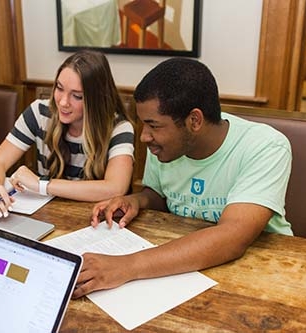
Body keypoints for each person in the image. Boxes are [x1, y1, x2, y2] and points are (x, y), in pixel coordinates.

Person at [72, 57, 293, 299]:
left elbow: (233, 237)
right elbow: (158, 194)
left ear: (194, 121)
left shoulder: (266, 146)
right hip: (181, 272)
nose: (144, 136)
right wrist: (137, 201)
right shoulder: (163, 146)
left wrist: (126, 266)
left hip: (262, 275)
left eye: (153, 126)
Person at [0, 50, 134, 218]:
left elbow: (116, 187)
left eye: (77, 96)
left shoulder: (118, 127)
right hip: (46, 214)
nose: (62, 102)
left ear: (96, 99)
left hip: (92, 219)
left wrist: (41, 185)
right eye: (59, 88)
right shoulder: (39, 112)